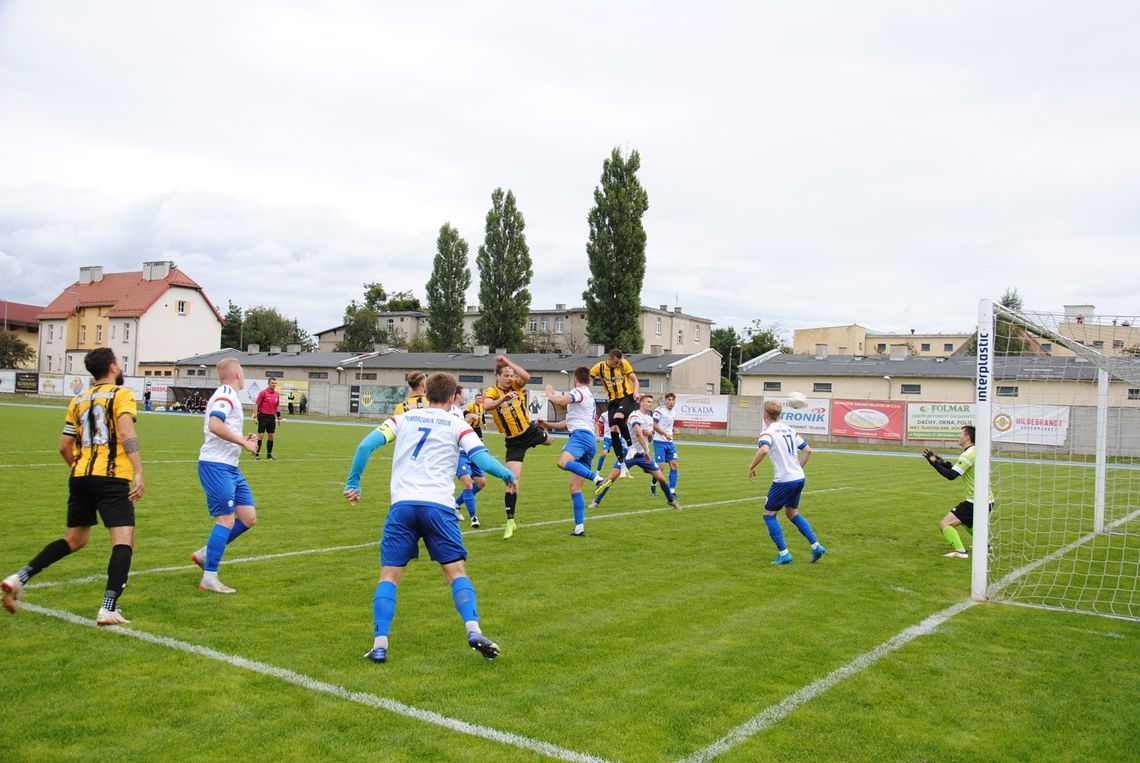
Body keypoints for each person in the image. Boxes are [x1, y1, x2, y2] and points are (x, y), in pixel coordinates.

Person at [343, 372, 517, 663]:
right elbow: (481, 459)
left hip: (403, 506)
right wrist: (507, 474)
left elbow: (365, 446)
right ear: (452, 397)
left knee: (389, 576)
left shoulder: (404, 418)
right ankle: (473, 630)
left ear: (426, 394)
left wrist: (353, 483)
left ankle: (380, 644)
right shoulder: (458, 423)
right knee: (456, 573)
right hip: (439, 507)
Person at [2, 348, 145, 625]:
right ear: (113, 367)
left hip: (80, 475)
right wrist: (138, 472)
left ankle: (18, 578)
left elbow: (64, 446)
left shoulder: (78, 399)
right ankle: (108, 607)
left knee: (74, 539)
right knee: (123, 540)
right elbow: (126, 432)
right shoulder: (121, 394)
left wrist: (82, 471)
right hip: (112, 476)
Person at [190, 358, 261, 593]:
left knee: (248, 517)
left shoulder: (229, 395)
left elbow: (224, 427)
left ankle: (206, 553)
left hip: (230, 467)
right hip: (216, 466)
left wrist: (243, 440)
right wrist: (244, 443)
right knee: (226, 521)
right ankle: (210, 576)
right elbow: (215, 425)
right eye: (242, 372)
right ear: (237, 375)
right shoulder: (226, 395)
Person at [747, 400, 826, 565]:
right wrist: (798, 468)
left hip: (784, 480)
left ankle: (784, 554)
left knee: (769, 515)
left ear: (765, 415)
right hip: (798, 478)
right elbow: (807, 450)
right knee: (791, 513)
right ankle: (816, 545)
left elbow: (764, 449)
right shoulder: (790, 429)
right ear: (779, 414)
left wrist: (751, 466)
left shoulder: (768, 432)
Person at [482, 355, 552, 538]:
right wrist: (503, 399)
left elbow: (526, 377)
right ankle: (510, 521)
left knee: (550, 440)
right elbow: (487, 405)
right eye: (505, 375)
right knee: (512, 481)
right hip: (514, 442)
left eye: (511, 375)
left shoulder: (516, 386)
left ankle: (546, 430)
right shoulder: (492, 391)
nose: (509, 378)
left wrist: (507, 362)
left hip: (531, 431)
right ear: (497, 376)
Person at [537, 367, 610, 536]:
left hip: (581, 438)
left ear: (576, 378)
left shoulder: (580, 391)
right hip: (589, 440)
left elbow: (561, 401)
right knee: (575, 488)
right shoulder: (588, 397)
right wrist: (547, 425)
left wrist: (550, 394)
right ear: (589, 380)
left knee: (562, 462)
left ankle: (598, 478)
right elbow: (567, 423)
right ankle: (579, 528)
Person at [590, 394, 681, 511]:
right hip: (628, 454)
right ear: (641, 403)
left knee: (662, 479)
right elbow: (637, 432)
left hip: (642, 455)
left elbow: (650, 438)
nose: (650, 404)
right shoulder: (634, 415)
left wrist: (649, 435)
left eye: (651, 402)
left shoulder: (649, 419)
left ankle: (671, 501)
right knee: (611, 478)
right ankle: (596, 501)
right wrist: (647, 450)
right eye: (648, 402)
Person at [923, 425, 992, 559]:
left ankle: (960, 551)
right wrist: (940, 462)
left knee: (945, 524)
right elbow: (955, 468)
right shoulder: (976, 451)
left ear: (967, 437)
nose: (959, 437)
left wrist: (934, 463)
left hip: (976, 501)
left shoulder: (969, 453)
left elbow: (951, 475)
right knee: (968, 522)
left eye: (961, 434)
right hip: (987, 499)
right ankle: (985, 545)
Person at [589, 349, 640, 479]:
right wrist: (581, 389)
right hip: (612, 401)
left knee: (618, 418)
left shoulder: (624, 364)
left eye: (619, 362)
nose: (618, 365)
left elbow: (635, 379)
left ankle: (631, 446)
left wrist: (636, 392)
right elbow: (587, 378)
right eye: (616, 362)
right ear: (610, 358)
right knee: (613, 431)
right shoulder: (599, 367)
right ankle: (623, 466)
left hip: (627, 397)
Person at [451, 387, 486, 528]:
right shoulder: (451, 410)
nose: (465, 396)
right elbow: (455, 430)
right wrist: (468, 419)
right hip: (459, 452)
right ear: (456, 395)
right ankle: (474, 518)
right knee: (467, 483)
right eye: (463, 394)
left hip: (469, 450)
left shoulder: (458, 411)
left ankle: (456, 504)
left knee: (481, 483)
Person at [650, 392, 679, 498]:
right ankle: (653, 483)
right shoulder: (659, 410)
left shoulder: (673, 413)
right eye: (669, 400)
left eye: (673, 400)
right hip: (659, 442)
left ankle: (672, 491)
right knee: (660, 467)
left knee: (674, 465)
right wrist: (665, 434)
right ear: (665, 401)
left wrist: (673, 430)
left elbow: (667, 426)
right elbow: (654, 425)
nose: (671, 402)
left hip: (670, 442)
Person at [254, 377, 281, 460]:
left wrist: (279, 417)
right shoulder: (263, 393)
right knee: (261, 436)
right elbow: (256, 405)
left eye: (275, 383)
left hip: (271, 417)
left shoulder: (277, 394)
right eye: (272, 383)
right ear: (268, 383)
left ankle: (269, 455)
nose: (274, 384)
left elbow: (277, 406)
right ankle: (257, 454)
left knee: (271, 436)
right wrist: (255, 417)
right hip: (263, 416)